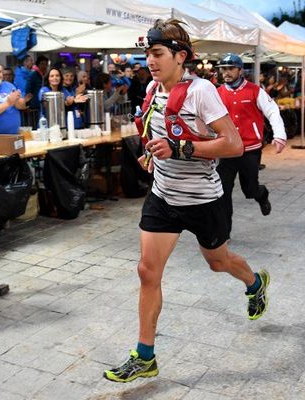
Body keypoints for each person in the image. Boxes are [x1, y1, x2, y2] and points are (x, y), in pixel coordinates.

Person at [103, 19, 270, 383]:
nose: (150, 61)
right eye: (147, 54)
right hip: (164, 196)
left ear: (180, 57)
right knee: (147, 272)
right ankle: (145, 355)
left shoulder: (202, 92)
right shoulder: (152, 89)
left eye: (158, 54)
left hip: (203, 200)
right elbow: (158, 130)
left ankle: (255, 284)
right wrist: (152, 153)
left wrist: (181, 148)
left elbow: (233, 144)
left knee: (218, 262)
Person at [215, 53, 287, 238]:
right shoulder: (217, 93)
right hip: (227, 150)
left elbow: (272, 111)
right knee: (223, 193)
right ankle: (224, 233)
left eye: (231, 68)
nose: (227, 72)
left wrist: (279, 135)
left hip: (250, 150)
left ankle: (261, 195)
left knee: (250, 190)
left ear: (240, 70)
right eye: (224, 69)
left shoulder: (255, 91)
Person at [0, 60, 30, 135]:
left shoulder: (9, 85)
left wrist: (22, 101)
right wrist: (8, 102)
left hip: (15, 134)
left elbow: (20, 106)